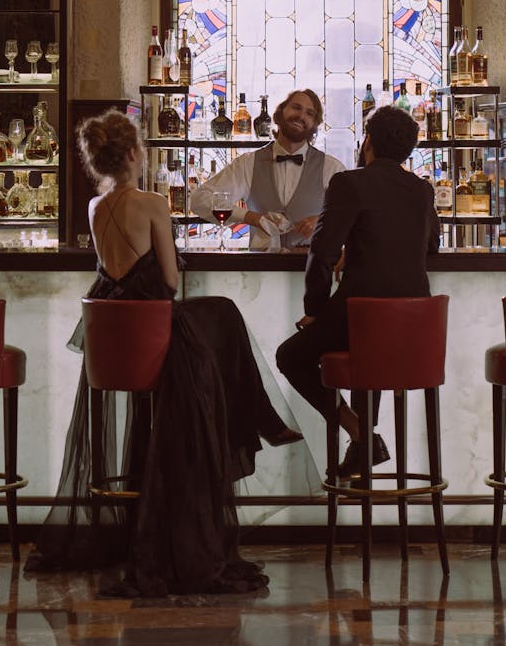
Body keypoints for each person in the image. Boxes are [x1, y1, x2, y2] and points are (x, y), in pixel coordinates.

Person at [25, 108, 304, 596]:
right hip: (153, 332)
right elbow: (171, 282)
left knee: (218, 317)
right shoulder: (152, 202)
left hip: (113, 337)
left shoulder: (95, 206)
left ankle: (257, 420)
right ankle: (258, 421)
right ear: (134, 153)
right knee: (225, 316)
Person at [276, 104, 440, 479]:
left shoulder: (349, 183)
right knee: (370, 353)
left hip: (361, 315)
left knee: (290, 356)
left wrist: (315, 308)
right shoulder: (421, 189)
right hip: (413, 324)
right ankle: (362, 444)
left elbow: (322, 250)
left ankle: (360, 432)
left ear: (368, 142)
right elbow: (431, 246)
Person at [191, 89, 345, 250]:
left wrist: (323, 220)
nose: (301, 116)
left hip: (312, 268)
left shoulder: (331, 167)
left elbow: (353, 214)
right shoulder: (247, 163)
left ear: (315, 124)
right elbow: (199, 199)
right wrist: (250, 217)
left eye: (310, 113)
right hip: (261, 267)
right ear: (279, 113)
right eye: (296, 107)